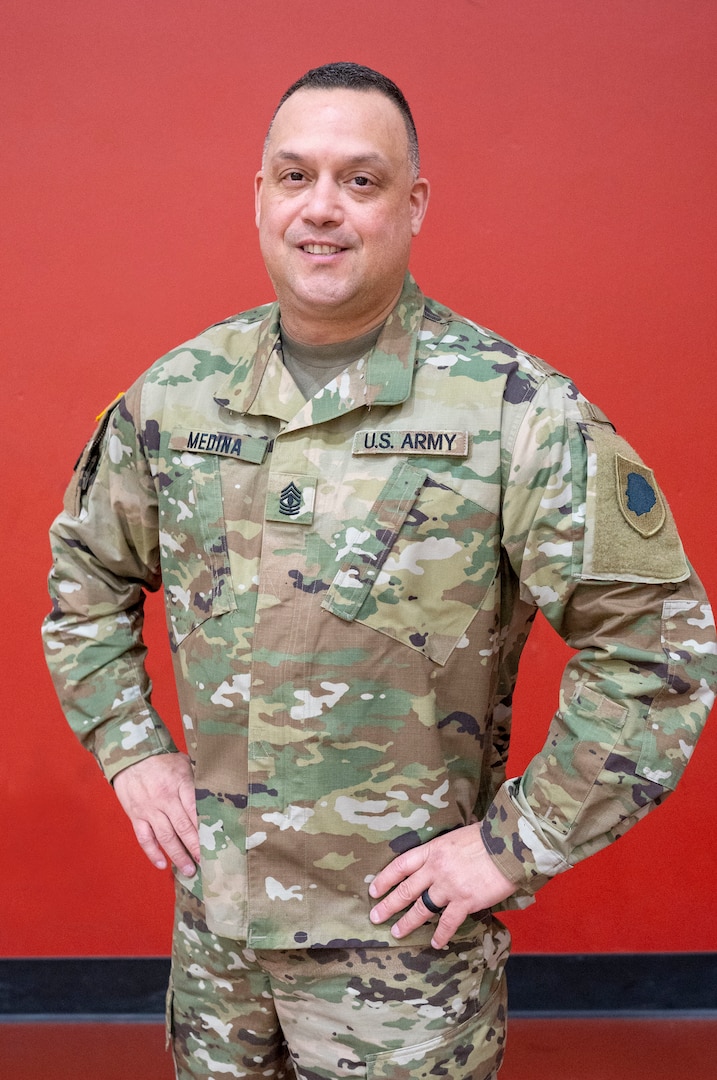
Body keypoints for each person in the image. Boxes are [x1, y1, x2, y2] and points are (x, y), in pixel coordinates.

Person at [42, 62, 715, 1080]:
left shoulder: (513, 412)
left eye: (361, 180)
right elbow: (84, 577)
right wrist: (130, 745)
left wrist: (509, 848)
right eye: (294, 176)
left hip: (404, 968)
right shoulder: (176, 400)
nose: (323, 208)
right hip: (218, 953)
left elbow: (659, 653)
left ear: (414, 203)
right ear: (259, 197)